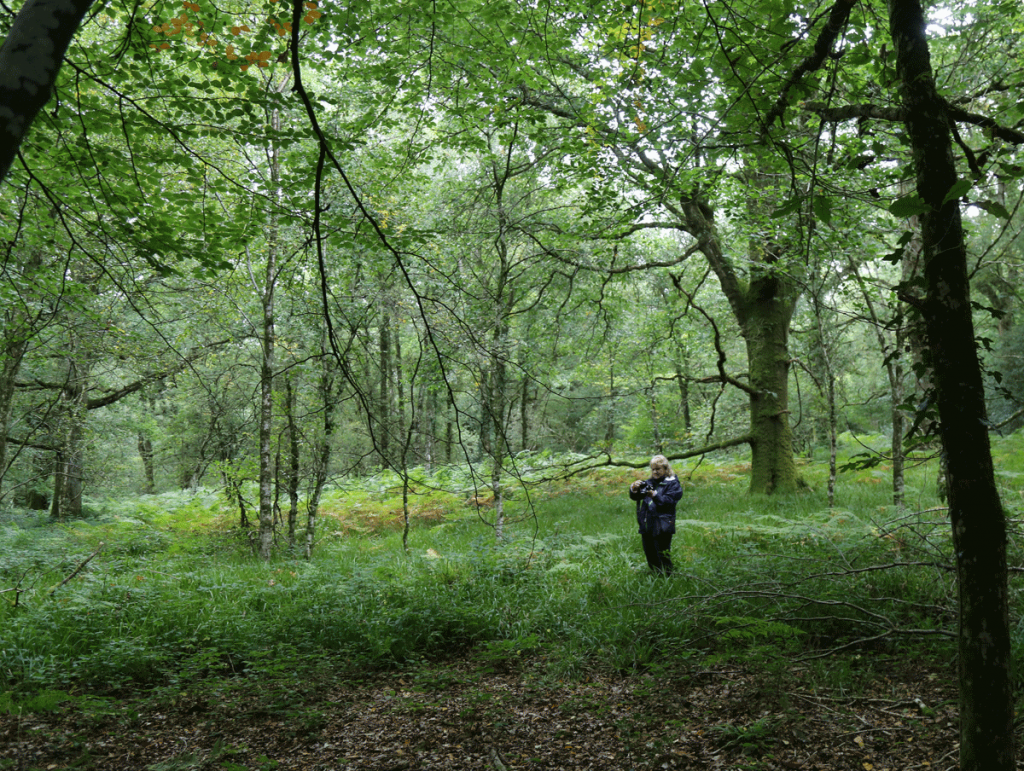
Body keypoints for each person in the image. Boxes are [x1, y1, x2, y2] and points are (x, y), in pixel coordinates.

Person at [628, 454, 682, 575]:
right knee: (650, 553)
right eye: (653, 469)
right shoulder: (649, 482)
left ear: (665, 469)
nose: (655, 472)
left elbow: (668, 502)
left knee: (663, 553)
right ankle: (656, 576)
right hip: (647, 524)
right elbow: (636, 497)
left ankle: (668, 577)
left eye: (658, 469)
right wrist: (634, 489)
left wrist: (655, 495)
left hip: (663, 524)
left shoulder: (673, 484)